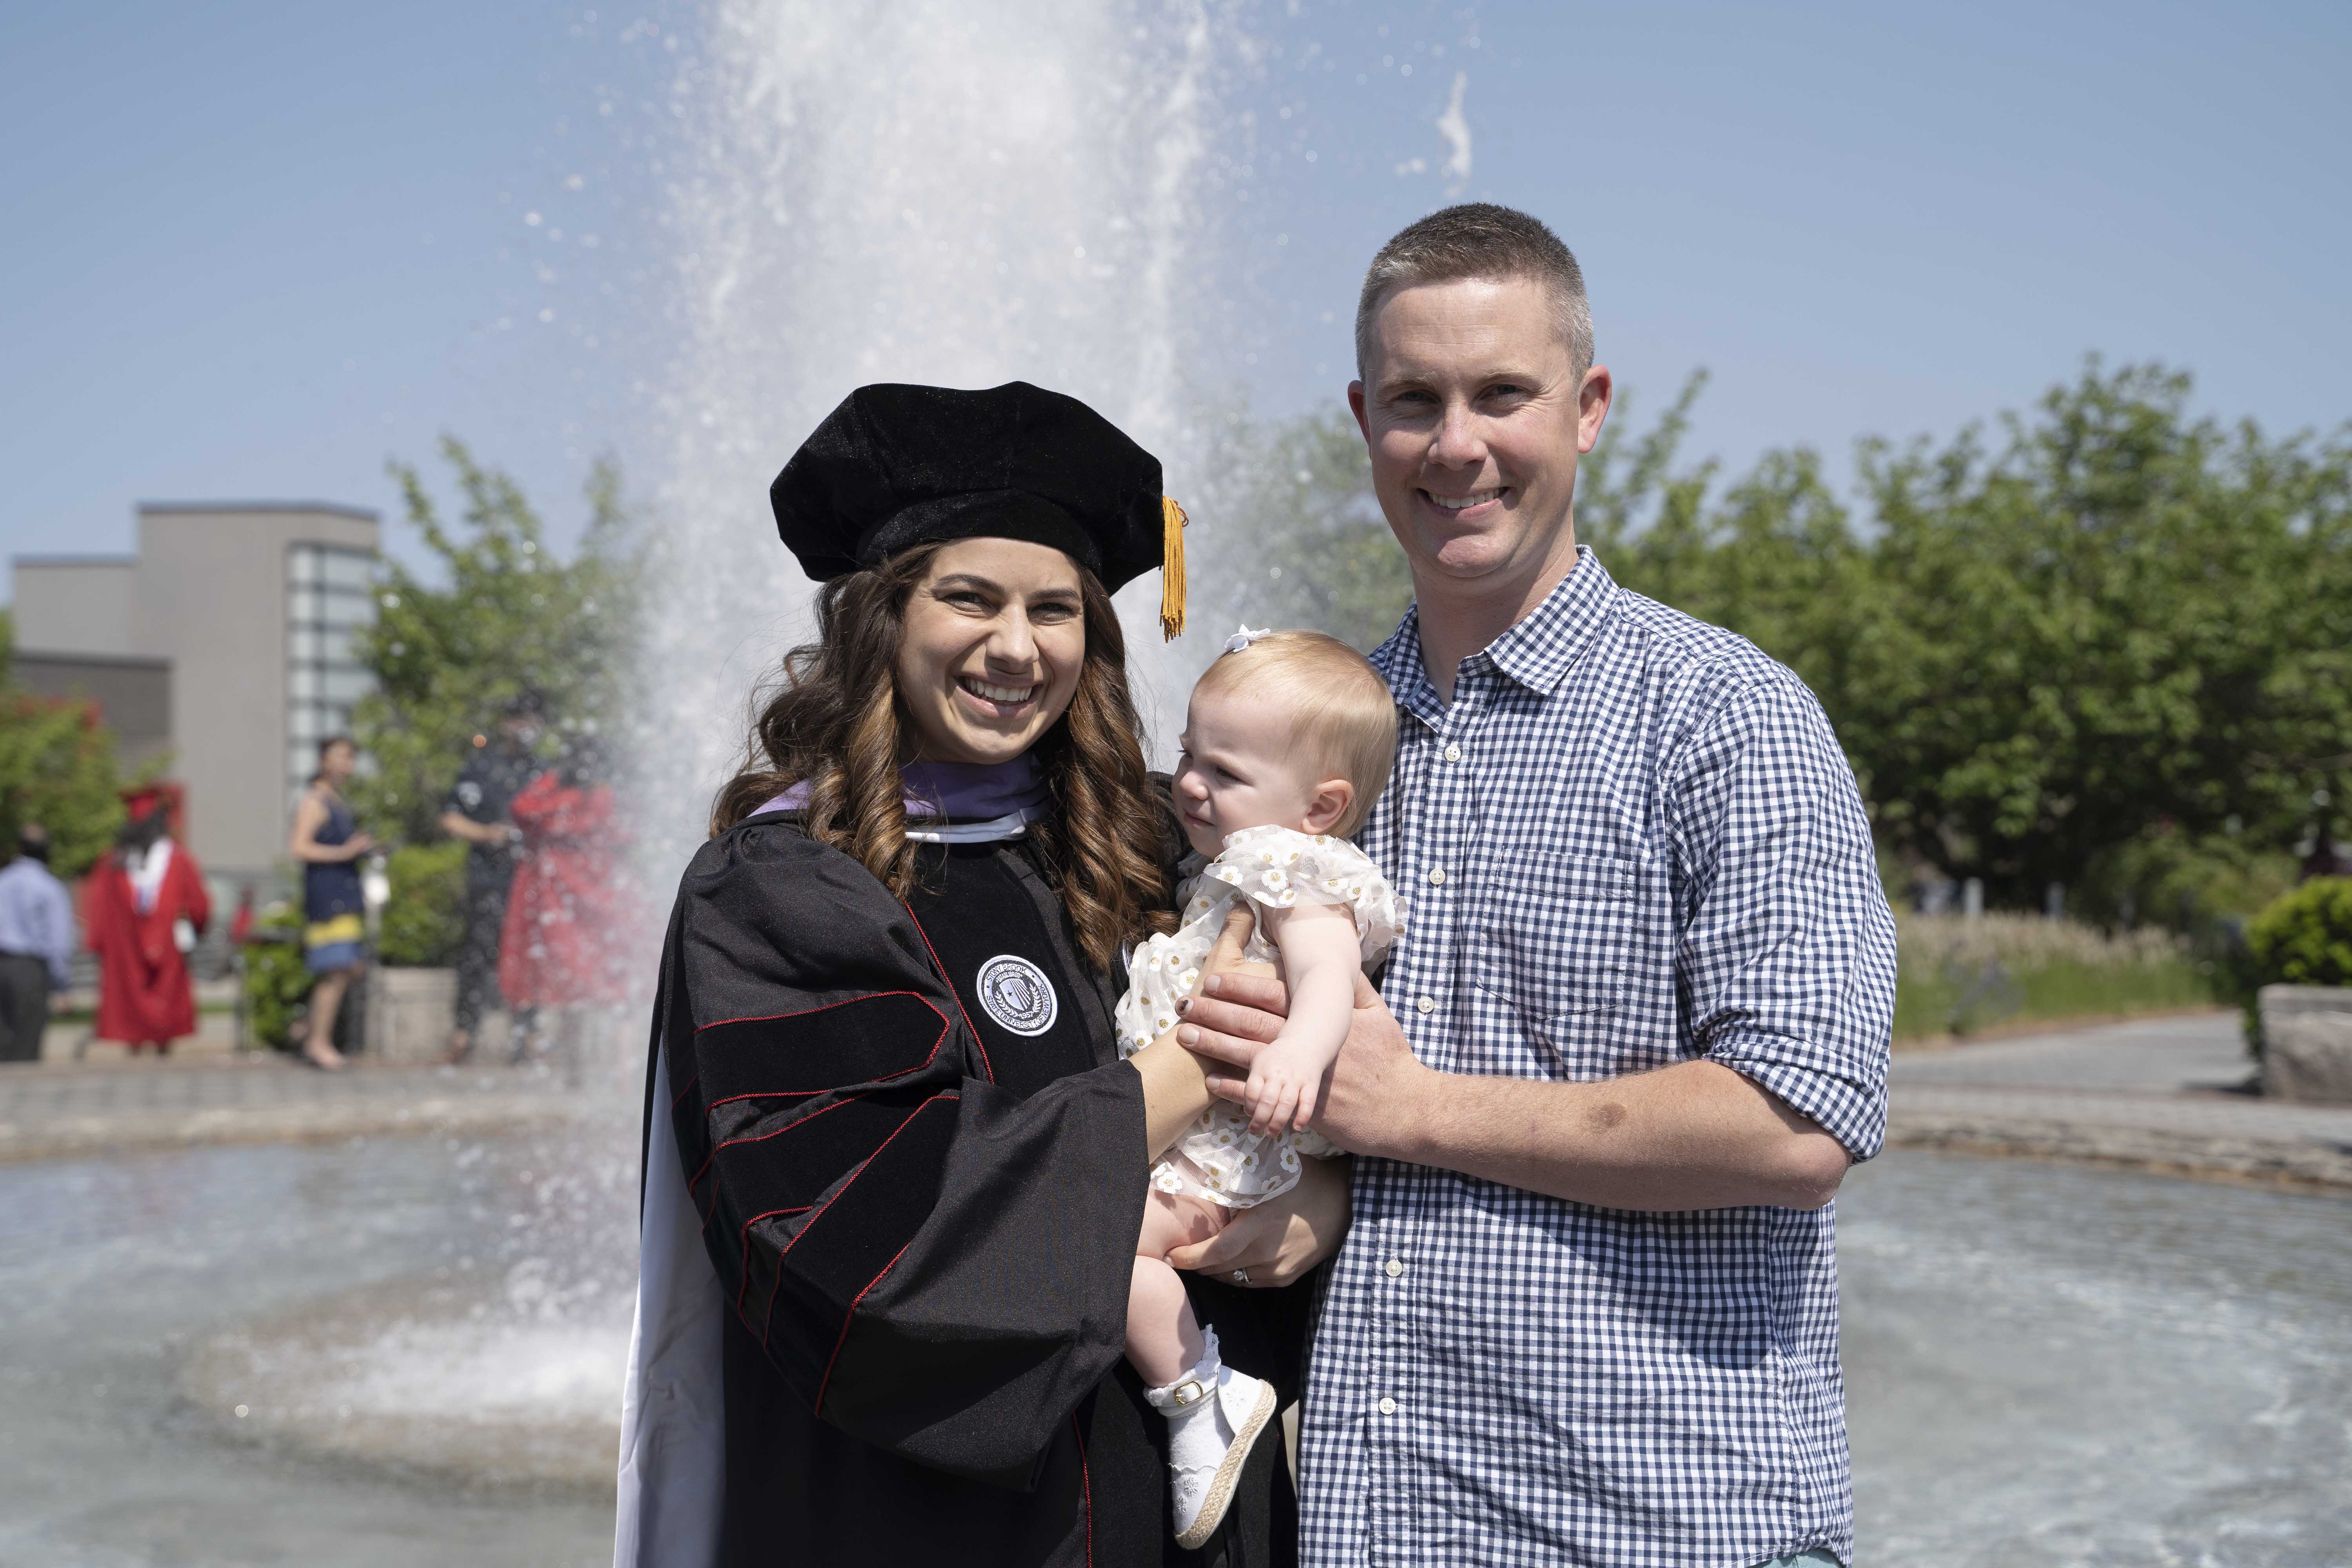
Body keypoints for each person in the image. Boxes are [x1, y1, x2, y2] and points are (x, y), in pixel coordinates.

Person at [1175, 205, 1899, 1567]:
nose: (1458, 445)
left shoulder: (1725, 718)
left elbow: (1803, 1123)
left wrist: (1416, 1109)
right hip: (1371, 1522)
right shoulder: (1307, 737)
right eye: (1414, 400)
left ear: (1588, 408)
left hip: (1654, 1527)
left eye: (1502, 393)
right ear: (1362, 418)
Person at [617, 381, 1347, 1568]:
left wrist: (1312, 1208)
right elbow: (865, 1232)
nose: (1016, 647)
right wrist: (1191, 1064)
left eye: (1053, 609)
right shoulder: (781, 890)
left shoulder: (1152, 846)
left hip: (1182, 1514)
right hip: (925, 1517)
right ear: (882, 619)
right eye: (969, 598)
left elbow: (1338, 1094)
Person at [1114, 628, 1400, 1546]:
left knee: (1104, 1241)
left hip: (1238, 1142)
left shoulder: (1292, 868)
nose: (1190, 783)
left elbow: (1323, 977)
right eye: (1190, 754)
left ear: (1321, 805)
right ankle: (1199, 1387)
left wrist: (1295, 1057)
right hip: (1216, 1129)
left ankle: (1197, 1393)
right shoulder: (1238, 862)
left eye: (1224, 772)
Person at [497, 735, 632, 1080]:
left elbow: (523, 808)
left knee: (578, 980)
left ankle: (591, 1067)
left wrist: (558, 784)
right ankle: (615, 1068)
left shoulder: (562, 796)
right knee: (599, 978)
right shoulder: (600, 796)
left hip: (567, 897)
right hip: (591, 896)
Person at [439, 693, 544, 1064]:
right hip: (488, 878)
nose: (524, 727)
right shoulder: (481, 767)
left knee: (529, 959)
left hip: (529, 883)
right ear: (505, 724)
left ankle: (526, 1037)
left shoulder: (543, 772)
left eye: (530, 719)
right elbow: (449, 818)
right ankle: (464, 1034)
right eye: (517, 719)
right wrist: (488, 835)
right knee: (477, 956)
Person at [85, 795, 212, 1056]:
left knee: (149, 1001)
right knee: (147, 1002)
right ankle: (154, 1051)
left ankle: (148, 1051)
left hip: (155, 946)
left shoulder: (169, 860)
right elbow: (200, 906)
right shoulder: (118, 862)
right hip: (133, 947)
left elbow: (197, 905)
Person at [289, 735, 374, 1071]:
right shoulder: (315, 800)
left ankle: (307, 1030)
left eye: (351, 757)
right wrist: (344, 852)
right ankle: (317, 1042)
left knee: (350, 967)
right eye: (340, 757)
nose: (346, 764)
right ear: (324, 760)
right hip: (328, 898)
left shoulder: (336, 800)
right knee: (335, 972)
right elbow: (299, 847)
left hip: (344, 895)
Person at [0, 824, 77, 1063]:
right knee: (25, 1047)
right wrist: (62, 985)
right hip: (29, 969)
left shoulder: (3, 881)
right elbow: (58, 941)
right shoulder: (49, 887)